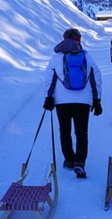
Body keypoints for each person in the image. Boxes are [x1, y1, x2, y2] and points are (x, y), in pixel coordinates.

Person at [43, 28, 103, 178]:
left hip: (62, 102)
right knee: (81, 132)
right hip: (83, 101)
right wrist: (97, 100)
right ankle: (80, 162)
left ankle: (69, 160)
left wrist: (49, 98)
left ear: (64, 39)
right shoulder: (87, 56)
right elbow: (96, 78)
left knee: (64, 131)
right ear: (79, 40)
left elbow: (49, 80)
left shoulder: (56, 57)